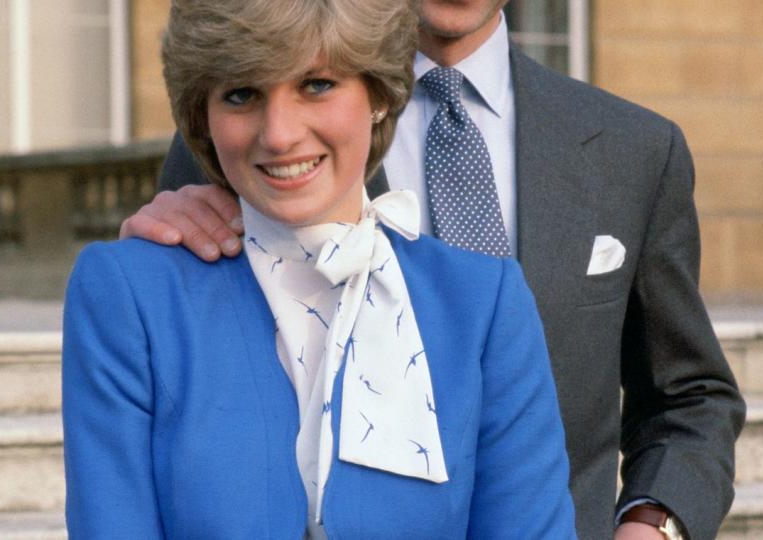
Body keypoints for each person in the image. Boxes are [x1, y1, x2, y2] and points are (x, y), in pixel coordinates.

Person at [122, 1, 747, 539]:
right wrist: (160, 250)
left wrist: (654, 520)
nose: (280, 125)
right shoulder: (262, 133)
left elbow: (688, 395)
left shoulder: (636, 150)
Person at [62, 0, 576, 538]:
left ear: (377, 95)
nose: (280, 134)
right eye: (242, 94)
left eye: (316, 85)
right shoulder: (130, 294)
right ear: (203, 118)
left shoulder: (484, 304)